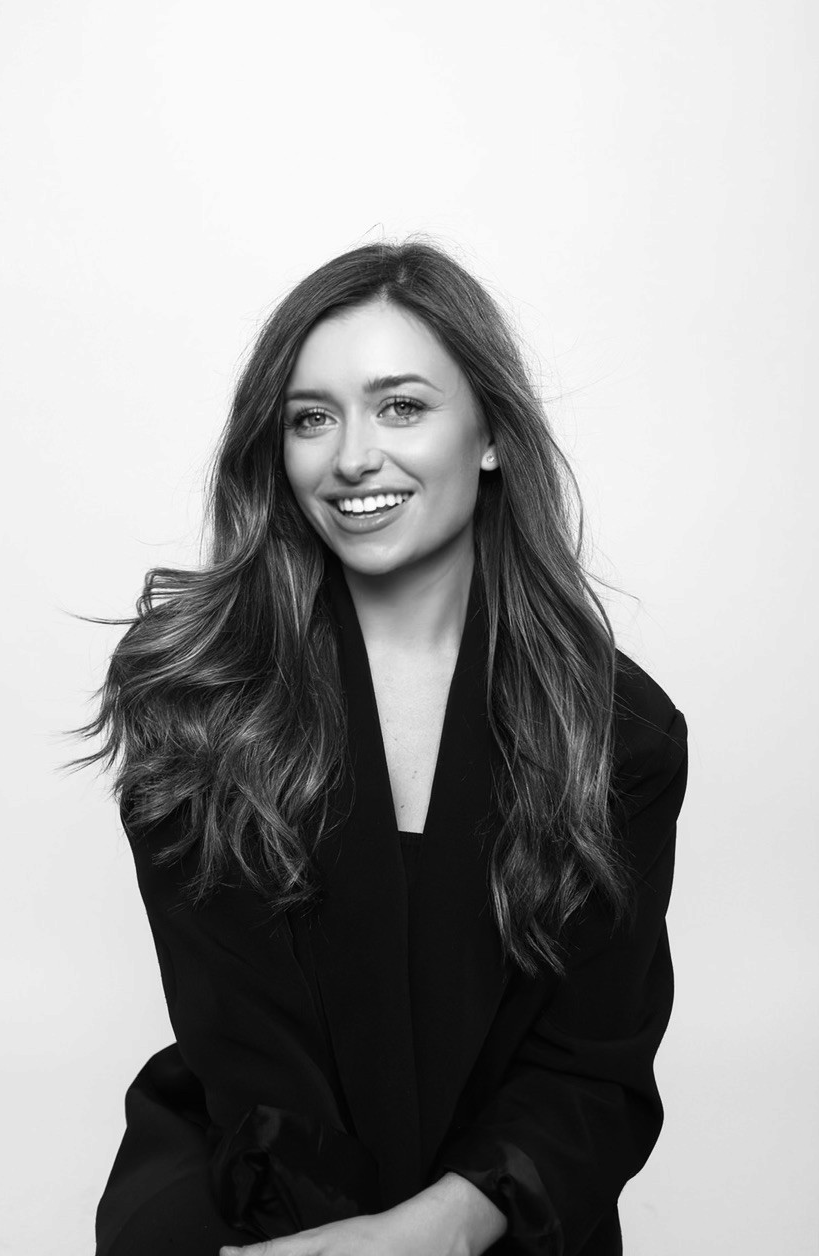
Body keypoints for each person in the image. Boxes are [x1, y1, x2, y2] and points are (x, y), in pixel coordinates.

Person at [76, 240, 688, 1255]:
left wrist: (436, 1229)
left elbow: (591, 1068)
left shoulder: (614, 729)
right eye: (311, 417)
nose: (351, 454)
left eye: (400, 405)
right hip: (252, 1179)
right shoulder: (196, 693)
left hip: (498, 1207)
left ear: (489, 433)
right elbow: (248, 1044)